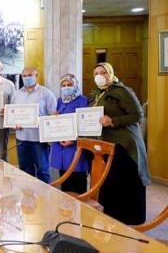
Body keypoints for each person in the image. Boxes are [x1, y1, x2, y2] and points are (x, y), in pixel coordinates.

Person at [90, 62, 150, 225]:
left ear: (111, 74)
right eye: (96, 73)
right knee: (111, 181)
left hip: (125, 144)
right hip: (107, 145)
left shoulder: (123, 91)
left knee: (126, 180)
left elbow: (137, 115)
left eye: (103, 72)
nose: (100, 76)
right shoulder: (98, 93)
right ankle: (113, 216)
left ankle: (130, 217)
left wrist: (113, 121)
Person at [10, 67, 56, 183]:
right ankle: (28, 193)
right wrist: (13, 123)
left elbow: (54, 115)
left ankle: (45, 194)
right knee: (25, 170)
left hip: (39, 139)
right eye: (24, 76)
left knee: (43, 170)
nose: (27, 78)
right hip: (22, 138)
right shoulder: (17, 94)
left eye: (30, 75)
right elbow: (13, 114)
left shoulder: (46, 93)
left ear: (36, 76)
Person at [50, 74, 90, 193]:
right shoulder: (60, 100)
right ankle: (66, 205)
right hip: (61, 146)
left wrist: (73, 141)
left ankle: (80, 204)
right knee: (64, 182)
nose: (66, 87)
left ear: (75, 85)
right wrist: (55, 117)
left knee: (77, 182)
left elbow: (86, 124)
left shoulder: (83, 100)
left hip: (75, 147)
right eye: (63, 85)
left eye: (69, 84)